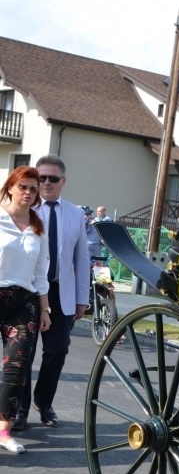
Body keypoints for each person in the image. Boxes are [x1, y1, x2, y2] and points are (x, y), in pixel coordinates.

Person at [12, 155, 89, 431]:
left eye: (52, 178)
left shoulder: (76, 214)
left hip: (60, 292)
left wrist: (83, 298)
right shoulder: (26, 209)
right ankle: (19, 410)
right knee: (24, 352)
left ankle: (43, 402)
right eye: (41, 178)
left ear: (63, 182)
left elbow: (81, 258)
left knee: (57, 351)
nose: (45, 183)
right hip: (29, 292)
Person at [0, 167, 52, 453]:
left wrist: (44, 309)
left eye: (33, 189)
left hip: (23, 303)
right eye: (24, 186)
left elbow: (41, 272)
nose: (29, 192)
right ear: (10, 187)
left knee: (16, 369)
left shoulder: (38, 227)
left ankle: (4, 431)